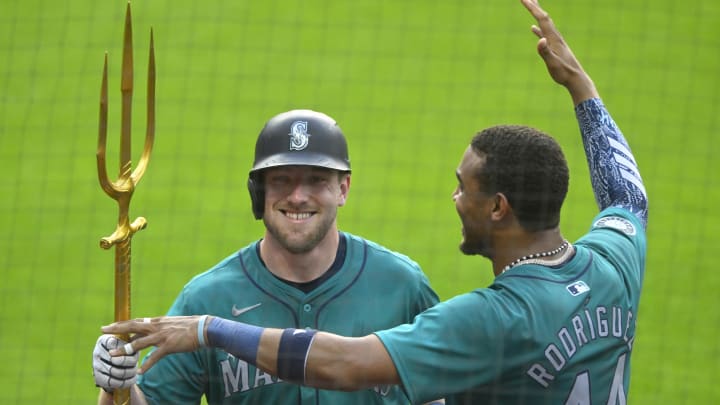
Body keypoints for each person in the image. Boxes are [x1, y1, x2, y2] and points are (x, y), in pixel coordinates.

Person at [101, 0, 649, 403]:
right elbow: (627, 194)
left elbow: (346, 362)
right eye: (280, 181)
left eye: (464, 186)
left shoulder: (490, 317)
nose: (455, 197)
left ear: (499, 207)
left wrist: (209, 329)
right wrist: (582, 90)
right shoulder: (614, 261)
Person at [92, 108, 441, 404]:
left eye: (316, 180)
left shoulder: (401, 286)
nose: (297, 196)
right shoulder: (207, 298)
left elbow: (440, 394)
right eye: (281, 180)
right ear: (257, 192)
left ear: (343, 189)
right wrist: (118, 384)